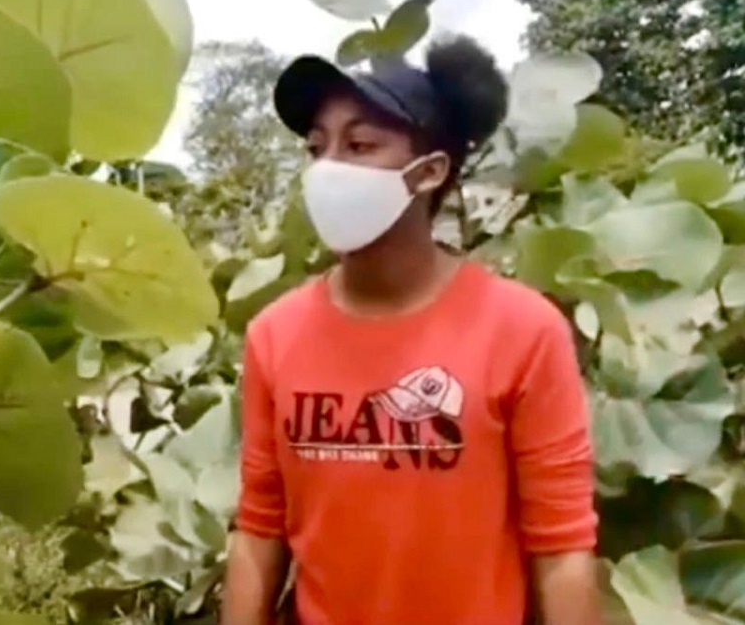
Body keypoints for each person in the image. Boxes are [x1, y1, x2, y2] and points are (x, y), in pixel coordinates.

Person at [219, 35, 602, 625]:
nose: (328, 169)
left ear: (430, 172)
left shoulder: (524, 331)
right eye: (317, 147)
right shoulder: (275, 334)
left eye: (360, 144)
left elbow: (562, 546)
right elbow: (259, 528)